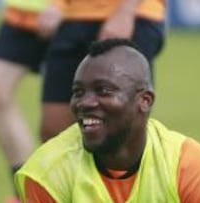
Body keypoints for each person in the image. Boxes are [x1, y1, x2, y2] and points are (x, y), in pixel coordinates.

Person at [15, 39, 200, 203]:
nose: (85, 103)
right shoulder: (48, 173)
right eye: (78, 92)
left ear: (144, 101)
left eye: (104, 90)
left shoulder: (190, 167)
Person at [38, 0, 165, 142]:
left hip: (133, 14)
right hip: (72, 16)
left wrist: (126, 11)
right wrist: (57, 4)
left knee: (123, 131)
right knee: (53, 131)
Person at [0, 0, 63, 202]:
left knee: (71, 111)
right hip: (25, 10)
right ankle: (26, 191)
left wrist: (63, 5)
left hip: (76, 12)